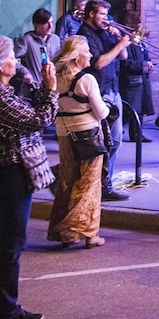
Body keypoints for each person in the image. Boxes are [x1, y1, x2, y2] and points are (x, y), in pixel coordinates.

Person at [0, 35, 56, 319]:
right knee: (11, 244)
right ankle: (7, 310)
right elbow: (39, 120)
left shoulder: (2, 91)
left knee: (1, 240)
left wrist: (42, 88)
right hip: (11, 173)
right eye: (10, 57)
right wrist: (51, 90)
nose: (15, 61)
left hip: (6, 172)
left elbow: (31, 115)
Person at [47, 35, 109, 248]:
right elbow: (100, 112)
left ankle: (65, 234)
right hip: (88, 135)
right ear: (75, 57)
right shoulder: (86, 80)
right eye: (87, 51)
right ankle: (85, 232)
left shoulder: (55, 78)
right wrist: (109, 107)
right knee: (89, 183)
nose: (91, 54)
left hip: (64, 136)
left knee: (67, 181)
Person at [77, 0, 132, 201]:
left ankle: (105, 185)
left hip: (113, 90)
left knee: (115, 141)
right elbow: (99, 63)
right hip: (99, 92)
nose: (106, 19)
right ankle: (100, 186)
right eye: (102, 14)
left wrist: (119, 39)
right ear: (91, 13)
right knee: (103, 142)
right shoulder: (84, 35)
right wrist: (120, 46)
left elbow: (123, 56)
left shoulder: (104, 32)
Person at [13, 8, 60, 92]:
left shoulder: (55, 39)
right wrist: (24, 72)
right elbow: (10, 58)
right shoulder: (26, 40)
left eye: (52, 22)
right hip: (32, 88)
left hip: (51, 86)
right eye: (46, 23)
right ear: (36, 25)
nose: (50, 26)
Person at [120, 40, 155, 142]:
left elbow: (146, 57)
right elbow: (125, 63)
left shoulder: (142, 45)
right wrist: (143, 65)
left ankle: (136, 133)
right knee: (129, 111)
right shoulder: (127, 45)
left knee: (141, 109)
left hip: (142, 80)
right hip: (131, 82)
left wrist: (150, 64)